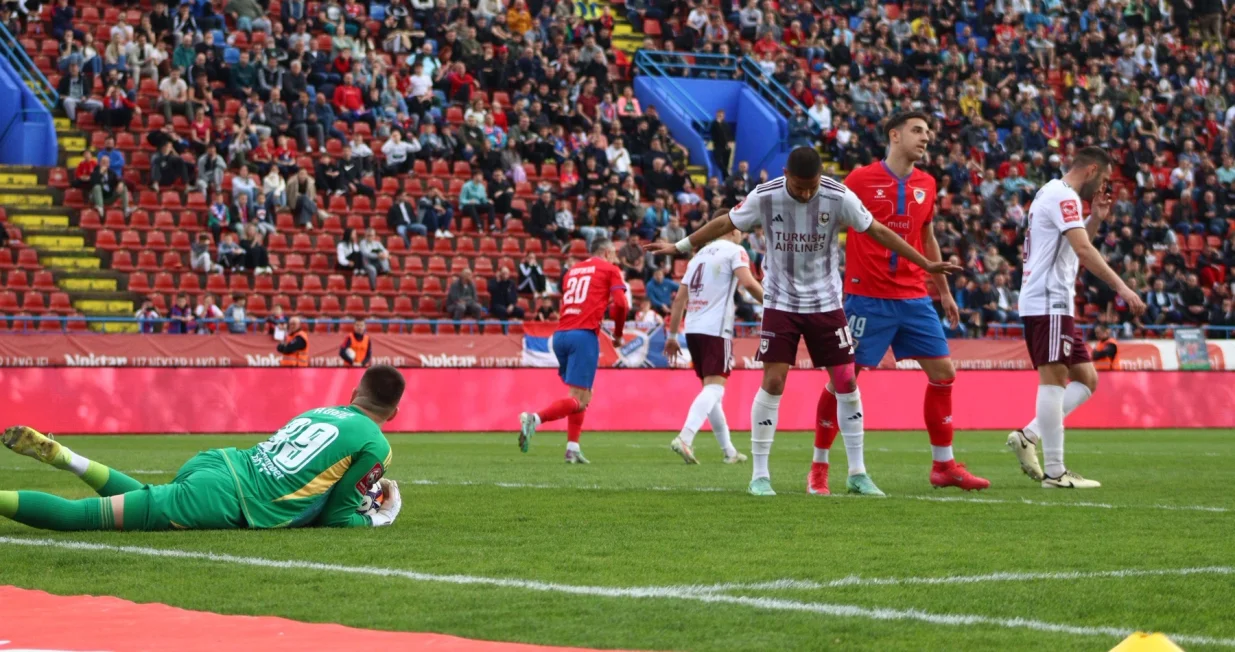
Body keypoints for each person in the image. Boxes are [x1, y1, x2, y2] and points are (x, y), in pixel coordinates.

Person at [645, 146, 960, 496]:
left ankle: (857, 472)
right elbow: (726, 222)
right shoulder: (766, 196)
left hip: (826, 303)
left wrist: (925, 264)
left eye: (812, 186)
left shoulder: (838, 195)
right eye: (799, 186)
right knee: (775, 382)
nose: (807, 193)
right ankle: (760, 476)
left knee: (846, 382)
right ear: (786, 175)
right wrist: (682, 246)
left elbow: (880, 231)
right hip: (780, 302)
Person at [0, 365, 405, 531]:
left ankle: (69, 458)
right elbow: (338, 516)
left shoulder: (324, 410)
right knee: (85, 518)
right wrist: (380, 517)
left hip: (220, 462)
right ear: (395, 411)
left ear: (355, 392)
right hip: (229, 498)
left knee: (144, 496)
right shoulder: (376, 445)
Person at [817, 112, 990, 495]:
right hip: (867, 298)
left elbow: (927, 239)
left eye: (927, 131)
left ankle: (944, 465)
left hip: (914, 296)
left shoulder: (927, 184)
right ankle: (821, 467)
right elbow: (828, 225)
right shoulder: (859, 179)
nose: (925, 137)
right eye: (917, 130)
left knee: (944, 372)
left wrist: (942, 290)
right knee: (842, 380)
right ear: (894, 135)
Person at [1006, 147, 1146, 489]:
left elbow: (1073, 247)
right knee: (1053, 380)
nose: (1105, 186)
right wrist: (1123, 288)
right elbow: (1084, 250)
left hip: (1054, 302)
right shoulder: (1063, 195)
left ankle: (1029, 435)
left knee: (1086, 379)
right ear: (1093, 169)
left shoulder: (1051, 193)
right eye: (1106, 178)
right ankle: (1055, 472)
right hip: (1049, 300)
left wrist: (1095, 218)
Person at [517, 238, 628, 464]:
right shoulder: (610, 269)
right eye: (614, 253)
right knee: (580, 399)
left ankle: (572, 447)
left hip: (561, 335)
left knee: (583, 395)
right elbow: (622, 304)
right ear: (606, 252)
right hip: (583, 336)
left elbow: (581, 299)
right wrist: (617, 334)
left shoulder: (572, 271)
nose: (616, 258)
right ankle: (534, 419)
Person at [663, 221, 762, 465]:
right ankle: (685, 437)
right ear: (729, 230)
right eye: (739, 229)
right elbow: (748, 282)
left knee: (712, 392)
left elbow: (678, 301)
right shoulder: (735, 251)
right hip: (716, 328)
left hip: (693, 329)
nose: (741, 234)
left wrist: (673, 336)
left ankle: (729, 451)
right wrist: (773, 304)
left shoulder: (697, 257)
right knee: (715, 388)